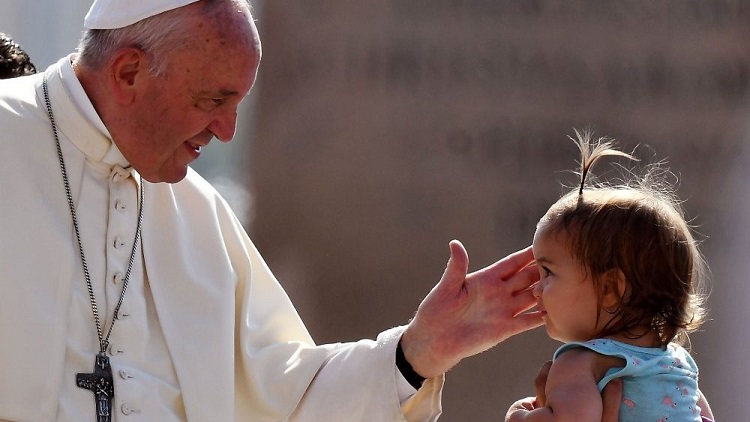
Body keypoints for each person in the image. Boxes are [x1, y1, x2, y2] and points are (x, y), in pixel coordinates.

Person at [0, 0, 552, 420]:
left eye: (239, 104)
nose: (227, 130)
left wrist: (414, 353)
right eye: (213, 101)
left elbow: (285, 399)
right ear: (127, 74)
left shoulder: (198, 214)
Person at [505, 131, 715, 422]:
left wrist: (518, 418)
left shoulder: (580, 362)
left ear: (611, 289)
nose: (535, 289)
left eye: (548, 272)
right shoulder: (678, 362)